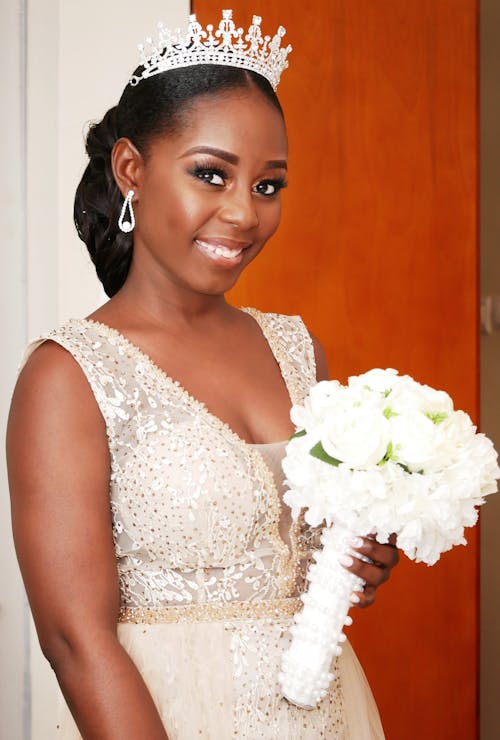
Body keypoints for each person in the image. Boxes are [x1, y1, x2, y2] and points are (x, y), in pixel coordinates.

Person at [7, 10, 398, 739]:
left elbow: (305, 567)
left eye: (268, 185)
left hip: (328, 714)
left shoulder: (297, 349)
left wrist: (358, 563)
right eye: (210, 174)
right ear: (132, 169)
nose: (243, 213)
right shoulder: (69, 376)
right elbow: (73, 643)